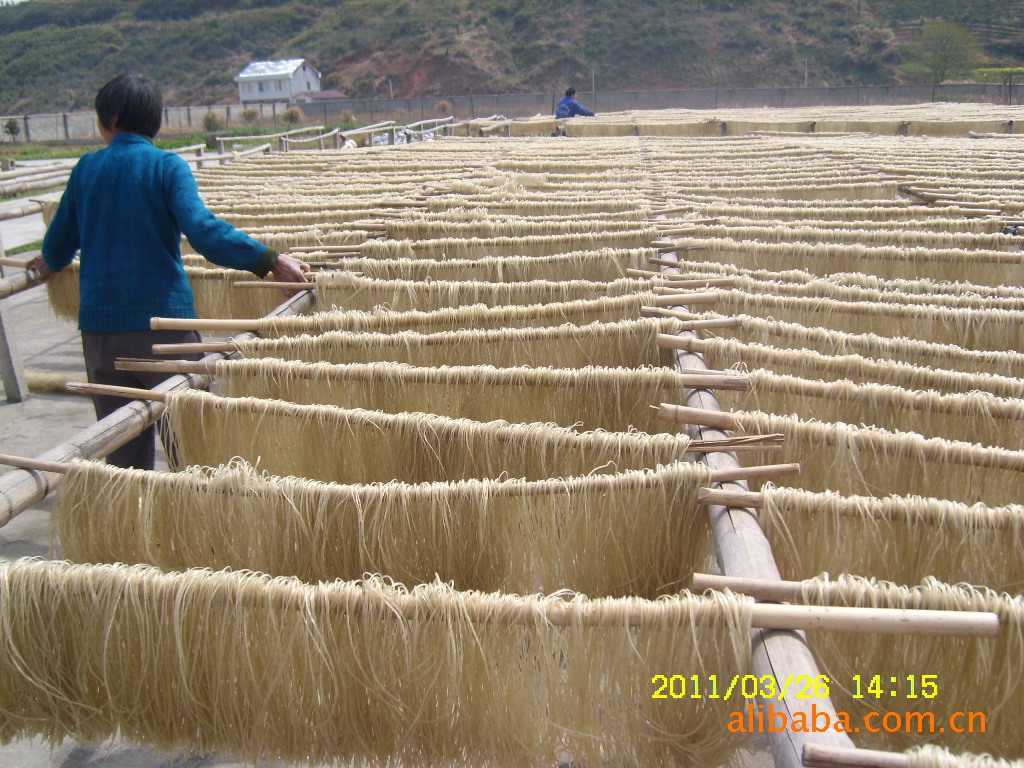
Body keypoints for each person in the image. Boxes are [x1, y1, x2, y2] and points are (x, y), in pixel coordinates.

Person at [29, 73, 310, 470]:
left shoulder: (86, 170)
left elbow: (58, 247)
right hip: (165, 331)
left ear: (110, 118)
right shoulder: (167, 167)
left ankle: (135, 529)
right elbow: (204, 232)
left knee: (123, 453)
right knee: (192, 445)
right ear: (155, 121)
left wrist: (48, 264)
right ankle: (190, 525)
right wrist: (271, 260)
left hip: (101, 335)